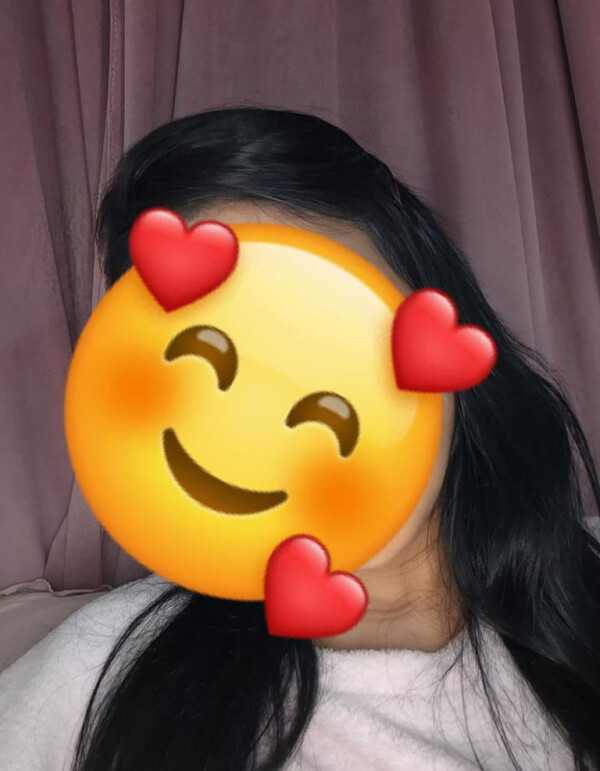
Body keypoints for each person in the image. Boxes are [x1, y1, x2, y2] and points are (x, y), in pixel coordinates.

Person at [0, 106, 599, 771]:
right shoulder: (99, 671)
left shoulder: (579, 594)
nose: (272, 414)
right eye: (201, 363)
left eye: (323, 327)